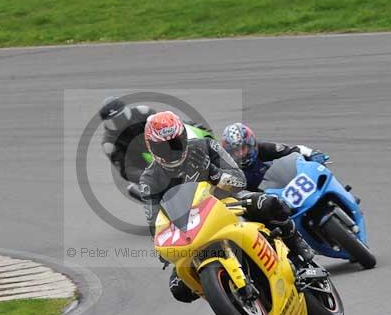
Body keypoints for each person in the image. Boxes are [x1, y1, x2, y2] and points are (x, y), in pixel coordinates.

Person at [139, 111, 315, 303]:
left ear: (183, 136)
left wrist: (214, 173)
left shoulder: (205, 146)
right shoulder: (149, 180)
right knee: (179, 289)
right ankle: (224, 295)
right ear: (152, 148)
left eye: (175, 143)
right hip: (191, 227)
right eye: (164, 147)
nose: (172, 151)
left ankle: (298, 248)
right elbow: (155, 221)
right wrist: (163, 251)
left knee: (270, 204)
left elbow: (239, 180)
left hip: (229, 201)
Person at [220, 122, 330, 191]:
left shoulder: (263, 148)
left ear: (251, 144)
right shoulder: (229, 172)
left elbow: (294, 150)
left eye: (243, 148)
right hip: (263, 205)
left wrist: (312, 154)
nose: (240, 154)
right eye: (235, 151)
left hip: (286, 188)